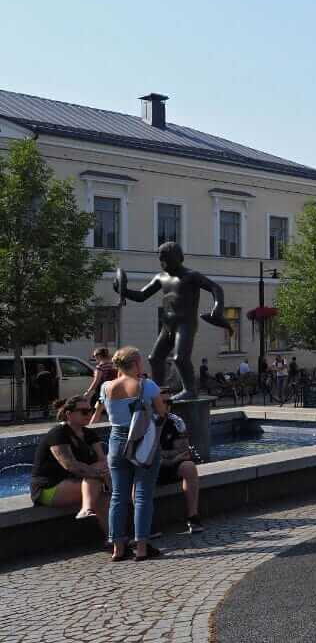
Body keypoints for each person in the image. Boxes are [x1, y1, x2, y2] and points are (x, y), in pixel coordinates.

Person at [114, 241, 229, 400]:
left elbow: (216, 288)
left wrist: (218, 308)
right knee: (154, 358)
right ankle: (157, 392)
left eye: (165, 258)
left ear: (177, 258)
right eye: (160, 259)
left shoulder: (191, 276)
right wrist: (123, 291)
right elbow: (141, 296)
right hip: (167, 326)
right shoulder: (161, 277)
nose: (162, 262)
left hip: (185, 324)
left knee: (180, 358)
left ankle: (190, 390)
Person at [90, 346, 166, 562]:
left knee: (118, 496)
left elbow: (104, 410)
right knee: (142, 495)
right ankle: (141, 547)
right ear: (136, 363)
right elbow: (162, 413)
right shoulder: (146, 385)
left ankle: (118, 548)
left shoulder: (106, 387)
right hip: (142, 441)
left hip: (116, 442)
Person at [29, 395, 110, 537]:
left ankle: (117, 539)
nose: (89, 414)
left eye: (90, 411)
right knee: (101, 495)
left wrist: (103, 473)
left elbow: (103, 461)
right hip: (49, 488)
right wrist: (99, 475)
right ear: (69, 414)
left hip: (79, 481)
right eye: (84, 412)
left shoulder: (89, 434)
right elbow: (70, 465)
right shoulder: (58, 434)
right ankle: (113, 537)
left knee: (103, 485)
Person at [158, 397, 205, 533]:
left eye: (169, 402)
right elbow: (150, 454)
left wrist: (167, 457)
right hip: (150, 466)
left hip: (170, 464)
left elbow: (183, 451)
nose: (167, 406)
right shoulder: (144, 421)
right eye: (163, 401)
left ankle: (193, 517)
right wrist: (169, 455)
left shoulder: (176, 421)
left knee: (189, 467)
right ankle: (145, 527)